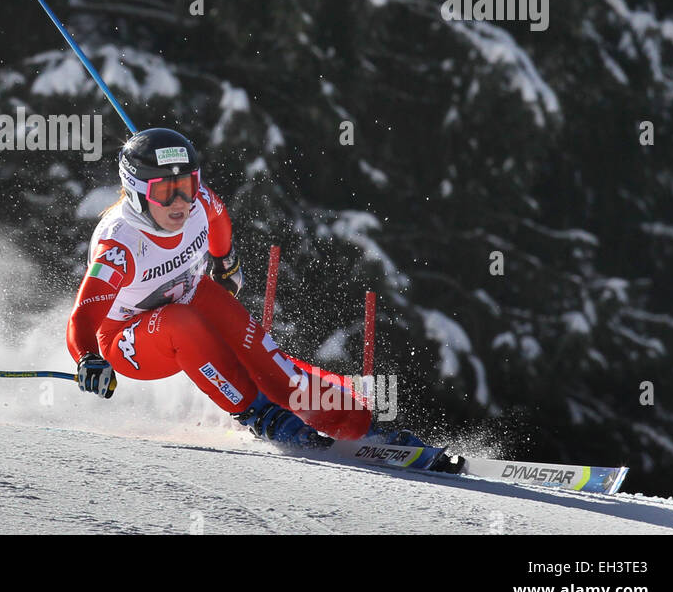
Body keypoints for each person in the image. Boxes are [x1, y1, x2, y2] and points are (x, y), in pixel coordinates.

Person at [66, 127, 425, 449]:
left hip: (189, 295)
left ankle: (358, 424)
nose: (180, 203)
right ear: (136, 193)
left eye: (186, 186)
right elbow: (83, 315)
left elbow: (219, 219)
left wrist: (225, 262)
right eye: (164, 192)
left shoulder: (199, 202)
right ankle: (258, 414)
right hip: (128, 340)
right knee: (179, 322)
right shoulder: (120, 247)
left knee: (269, 362)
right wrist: (88, 358)